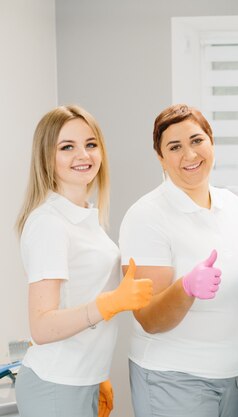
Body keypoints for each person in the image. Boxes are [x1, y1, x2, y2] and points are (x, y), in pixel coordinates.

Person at [118, 104, 238, 417]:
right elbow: (150, 319)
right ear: (160, 157)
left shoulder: (232, 206)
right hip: (175, 379)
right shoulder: (147, 216)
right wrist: (186, 287)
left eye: (196, 141)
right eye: (175, 147)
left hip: (234, 376)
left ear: (211, 141)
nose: (190, 155)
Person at [14, 105, 153, 417]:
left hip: (80, 380)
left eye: (91, 144)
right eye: (67, 147)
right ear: (46, 157)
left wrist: (98, 373)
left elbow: (79, 294)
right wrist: (110, 303)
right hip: (55, 384)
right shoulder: (49, 223)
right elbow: (42, 326)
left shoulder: (83, 216)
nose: (84, 155)